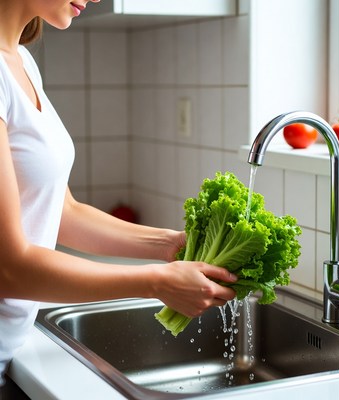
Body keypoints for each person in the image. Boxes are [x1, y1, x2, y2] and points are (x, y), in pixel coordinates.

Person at [0, 0, 237, 385]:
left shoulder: (22, 62)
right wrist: (156, 281)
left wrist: (171, 244)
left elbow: (62, 211)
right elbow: (9, 268)